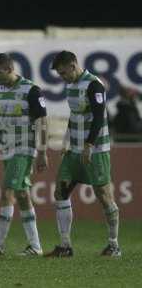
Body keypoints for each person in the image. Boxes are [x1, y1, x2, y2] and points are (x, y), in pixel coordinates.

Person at [45, 51, 120, 257]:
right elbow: (74, 115)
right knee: (60, 192)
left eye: (63, 73)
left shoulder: (94, 85)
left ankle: (114, 245)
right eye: (59, 74)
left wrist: (89, 145)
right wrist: (65, 141)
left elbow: (98, 118)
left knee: (104, 196)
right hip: (74, 149)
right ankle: (65, 245)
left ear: (73, 65)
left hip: (95, 150)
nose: (62, 77)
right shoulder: (71, 86)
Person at [0, 53, 48, 256]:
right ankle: (36, 245)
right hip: (7, 148)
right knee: (22, 195)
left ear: (9, 69)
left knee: (7, 191)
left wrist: (42, 152)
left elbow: (42, 121)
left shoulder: (31, 90)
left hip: (25, 147)